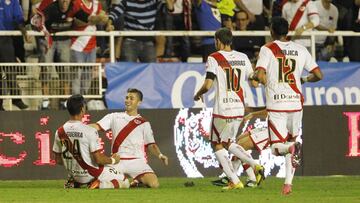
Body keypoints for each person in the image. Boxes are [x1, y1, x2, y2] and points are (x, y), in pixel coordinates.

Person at [254, 16, 323, 195]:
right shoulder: (300, 49)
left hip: (277, 104)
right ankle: (287, 185)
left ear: (271, 31)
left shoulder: (267, 49)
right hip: (295, 104)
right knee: (292, 142)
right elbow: (318, 75)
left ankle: (292, 149)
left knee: (277, 148)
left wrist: (263, 81)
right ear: (287, 31)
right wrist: (303, 79)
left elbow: (260, 74)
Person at [193, 27, 265, 190]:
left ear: (218, 40)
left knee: (217, 144)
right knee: (228, 142)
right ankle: (240, 176)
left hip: (223, 107)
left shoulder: (214, 58)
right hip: (239, 107)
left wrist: (198, 94)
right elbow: (255, 82)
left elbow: (208, 84)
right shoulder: (243, 57)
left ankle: (243, 173)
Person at [90, 88, 169, 188]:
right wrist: (80, 127)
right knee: (97, 179)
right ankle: (131, 181)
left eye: (132, 98)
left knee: (154, 184)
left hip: (137, 162)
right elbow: (96, 126)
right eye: (127, 97)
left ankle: (133, 181)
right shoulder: (114, 116)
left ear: (139, 102)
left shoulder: (144, 123)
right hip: (116, 161)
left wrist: (160, 155)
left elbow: (151, 145)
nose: (127, 100)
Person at [52, 94, 130, 189]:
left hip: (74, 175)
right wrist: (113, 160)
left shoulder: (59, 132)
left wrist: (75, 167)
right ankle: (99, 184)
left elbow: (58, 160)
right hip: (91, 173)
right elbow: (99, 160)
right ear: (82, 110)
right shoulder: (89, 131)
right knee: (125, 181)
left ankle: (75, 182)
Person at [212, 109, 269, 188]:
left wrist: (252, 113)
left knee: (242, 145)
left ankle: (252, 178)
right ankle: (232, 177)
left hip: (276, 132)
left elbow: (272, 110)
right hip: (268, 128)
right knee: (239, 140)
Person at [0, 0, 30, 111]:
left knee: (10, 70)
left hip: (6, 38)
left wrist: (24, 31)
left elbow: (19, 19)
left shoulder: (14, 2)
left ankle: (16, 99)